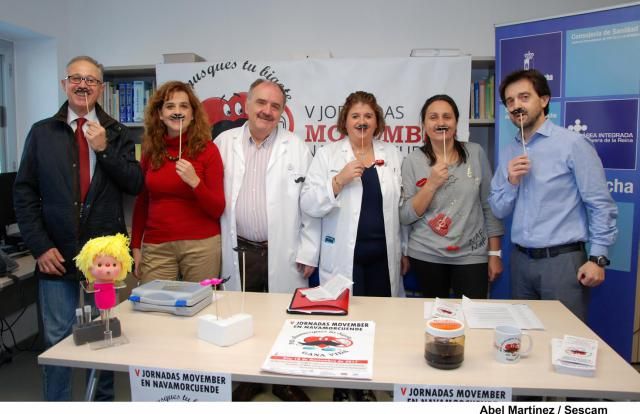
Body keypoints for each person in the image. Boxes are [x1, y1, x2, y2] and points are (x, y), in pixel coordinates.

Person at [13, 55, 143, 400]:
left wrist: (103, 151)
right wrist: (39, 246)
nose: (83, 85)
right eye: (76, 78)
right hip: (55, 254)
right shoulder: (42, 133)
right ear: (64, 84)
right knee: (57, 341)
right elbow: (24, 192)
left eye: (91, 80)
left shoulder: (116, 132)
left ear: (101, 88)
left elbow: (134, 183)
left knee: (102, 339)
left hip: (102, 261)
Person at [215, 79, 319, 401]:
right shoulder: (223, 142)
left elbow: (311, 206)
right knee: (242, 318)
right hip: (238, 248)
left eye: (275, 106)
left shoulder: (296, 146)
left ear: (282, 112)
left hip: (280, 251)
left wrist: (308, 250)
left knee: (281, 320)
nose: (267, 111)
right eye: (261, 103)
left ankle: (283, 380)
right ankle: (247, 378)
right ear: (247, 105)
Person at [300, 91, 406, 401]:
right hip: (345, 258)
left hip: (383, 258)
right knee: (346, 329)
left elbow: (399, 207)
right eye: (355, 116)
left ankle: (374, 385)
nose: (362, 121)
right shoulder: (328, 155)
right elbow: (308, 203)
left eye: (368, 116)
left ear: (377, 122)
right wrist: (338, 180)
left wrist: (405, 250)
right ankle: (345, 389)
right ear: (345, 121)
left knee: (381, 324)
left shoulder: (392, 153)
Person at [489, 69, 617, 322]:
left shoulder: (572, 144)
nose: (517, 106)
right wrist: (512, 182)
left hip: (563, 262)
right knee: (523, 338)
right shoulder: (509, 151)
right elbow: (498, 209)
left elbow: (600, 204)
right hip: (521, 261)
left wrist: (598, 258)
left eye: (524, 97)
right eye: (511, 101)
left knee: (564, 338)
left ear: (544, 100)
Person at [400, 94, 503, 299]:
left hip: (472, 255)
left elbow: (489, 205)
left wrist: (494, 254)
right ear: (424, 125)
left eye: (447, 117)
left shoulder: (475, 153)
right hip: (427, 254)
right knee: (434, 319)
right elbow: (406, 216)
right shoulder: (412, 161)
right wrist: (431, 184)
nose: (440, 122)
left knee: (474, 318)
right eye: (433, 117)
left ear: (456, 123)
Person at [131, 81, 224, 283]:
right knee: (154, 307)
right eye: (170, 106)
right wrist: (136, 245)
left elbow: (217, 208)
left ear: (193, 114)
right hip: (157, 246)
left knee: (201, 308)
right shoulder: (150, 151)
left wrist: (195, 183)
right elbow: (142, 202)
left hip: (201, 247)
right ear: (160, 114)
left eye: (184, 106)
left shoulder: (208, 150)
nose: (177, 112)